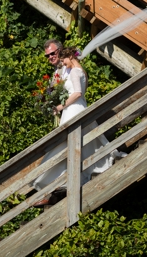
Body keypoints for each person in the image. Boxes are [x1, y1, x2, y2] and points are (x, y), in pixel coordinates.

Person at [31, 47, 122, 207]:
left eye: (64, 60)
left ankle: (54, 179)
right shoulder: (82, 71)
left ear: (69, 57)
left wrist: (60, 106)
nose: (63, 63)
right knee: (80, 142)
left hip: (73, 109)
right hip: (79, 107)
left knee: (66, 144)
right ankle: (70, 175)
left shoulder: (74, 71)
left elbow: (77, 93)